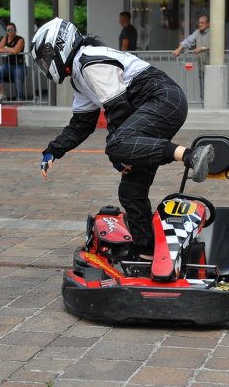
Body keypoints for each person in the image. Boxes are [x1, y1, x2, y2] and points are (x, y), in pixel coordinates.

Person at [33, 17, 215, 259]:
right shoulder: (79, 76)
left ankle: (192, 155)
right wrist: (53, 151)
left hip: (163, 99)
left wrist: (120, 156)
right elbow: (81, 124)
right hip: (152, 106)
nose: (46, 63)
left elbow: (118, 112)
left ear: (61, 45)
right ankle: (146, 252)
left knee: (116, 145)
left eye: (47, 56)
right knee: (131, 191)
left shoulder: (89, 60)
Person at [172, 15, 210, 99]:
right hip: (202, 67)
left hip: (211, 67)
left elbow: (216, 46)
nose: (200, 24)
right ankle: (204, 108)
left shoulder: (213, 32)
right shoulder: (197, 32)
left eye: (202, 23)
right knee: (203, 91)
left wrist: (202, 49)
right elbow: (188, 41)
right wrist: (179, 49)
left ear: (208, 24)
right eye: (199, 23)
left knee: (211, 91)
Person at [0, 22, 26, 103]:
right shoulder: (5, 38)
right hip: (8, 64)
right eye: (8, 30)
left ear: (15, 30)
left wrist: (6, 47)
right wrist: (9, 49)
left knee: (18, 85)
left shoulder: (20, 39)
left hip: (19, 65)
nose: (10, 31)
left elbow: (16, 51)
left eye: (11, 30)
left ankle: (19, 101)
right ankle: (2, 95)